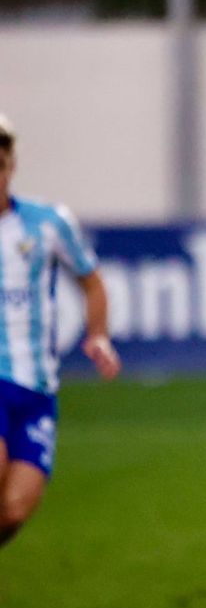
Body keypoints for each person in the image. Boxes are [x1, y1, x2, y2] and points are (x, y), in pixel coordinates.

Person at [0, 114, 121, 549]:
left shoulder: (48, 222)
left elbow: (90, 279)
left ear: (11, 163)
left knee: (13, 511)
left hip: (36, 389)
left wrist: (99, 334)